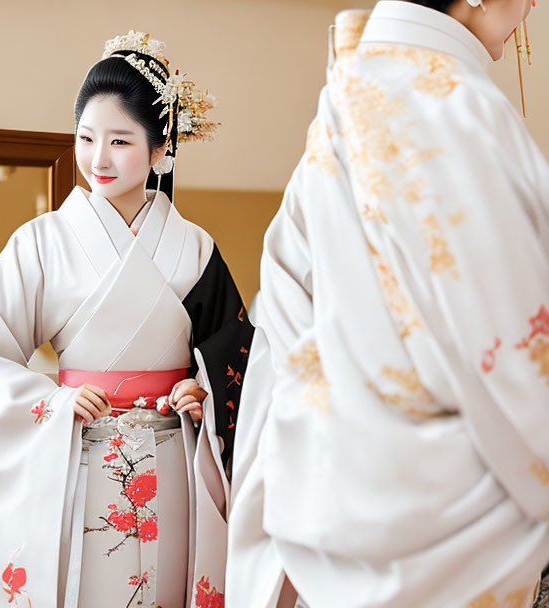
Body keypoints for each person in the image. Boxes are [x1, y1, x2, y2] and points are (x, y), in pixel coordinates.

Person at [225, 3, 549, 607]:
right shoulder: (443, 101)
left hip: (339, 480)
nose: (532, 4)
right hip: (456, 499)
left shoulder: (353, 97)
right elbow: (512, 345)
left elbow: (282, 313)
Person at [0, 30, 254, 608]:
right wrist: (50, 404)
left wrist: (200, 391)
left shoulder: (194, 249)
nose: (98, 158)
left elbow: (237, 354)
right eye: (86, 138)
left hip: (175, 463)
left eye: (120, 141)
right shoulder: (40, 243)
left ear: (160, 149)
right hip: (74, 458)